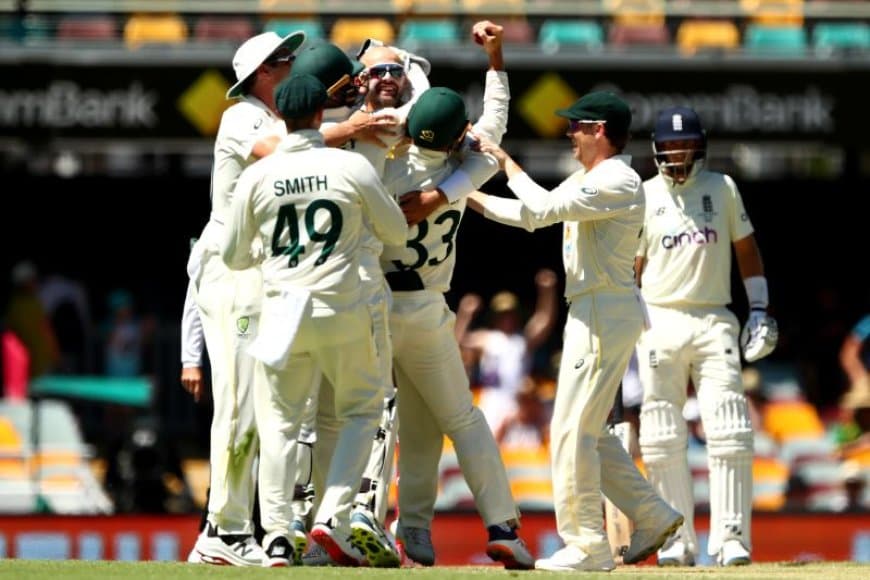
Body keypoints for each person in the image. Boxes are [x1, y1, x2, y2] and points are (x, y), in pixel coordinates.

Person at [468, 91, 683, 572]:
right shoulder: (593, 177)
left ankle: (588, 545)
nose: (568, 133)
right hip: (593, 312)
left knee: (570, 433)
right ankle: (651, 514)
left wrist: (502, 163)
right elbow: (529, 216)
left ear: (599, 129)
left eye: (576, 125)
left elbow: (541, 209)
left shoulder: (618, 180)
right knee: (590, 433)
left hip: (603, 313)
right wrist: (464, 197)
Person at [219, 73, 408, 567]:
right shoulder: (347, 166)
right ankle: (331, 514)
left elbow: (235, 257)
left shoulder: (257, 176)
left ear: (280, 116)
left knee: (279, 423)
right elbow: (396, 233)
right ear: (322, 114)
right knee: (361, 412)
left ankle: (279, 535)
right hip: (343, 308)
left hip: (282, 312)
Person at [379, 81, 534, 570]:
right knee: (460, 420)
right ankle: (503, 526)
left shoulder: (378, 163)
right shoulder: (471, 167)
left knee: (390, 424)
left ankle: (408, 529)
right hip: (426, 308)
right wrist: (495, 64)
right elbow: (494, 125)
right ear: (453, 139)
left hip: (375, 307)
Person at [633, 105, 778, 566]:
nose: (678, 152)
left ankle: (731, 538)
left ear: (700, 146)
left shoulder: (722, 187)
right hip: (657, 319)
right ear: (657, 149)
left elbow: (746, 248)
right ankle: (675, 539)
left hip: (714, 318)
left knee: (731, 428)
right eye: (671, 145)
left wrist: (758, 308)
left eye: (686, 144)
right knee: (659, 435)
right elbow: (631, 272)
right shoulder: (643, 194)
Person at [187, 28, 306, 567]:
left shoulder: (279, 118)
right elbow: (283, 155)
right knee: (237, 405)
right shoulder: (242, 117)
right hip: (235, 270)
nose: (295, 66)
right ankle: (224, 529)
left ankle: (229, 528)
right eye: (288, 59)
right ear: (264, 70)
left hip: (256, 272)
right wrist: (345, 125)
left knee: (254, 408)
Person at [456, 268, 559, 434]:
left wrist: (547, 291)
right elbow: (457, 342)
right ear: (495, 316)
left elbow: (544, 320)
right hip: (492, 399)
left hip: (519, 400)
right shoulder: (486, 338)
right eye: (503, 314)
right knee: (486, 445)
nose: (507, 318)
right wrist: (465, 313)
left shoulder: (523, 339)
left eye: (511, 314)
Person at [3, 261, 59, 381]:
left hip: (31, 359)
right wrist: (55, 351)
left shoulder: (15, 305)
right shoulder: (30, 303)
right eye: (33, 280)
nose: (36, 283)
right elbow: (46, 328)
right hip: (32, 358)